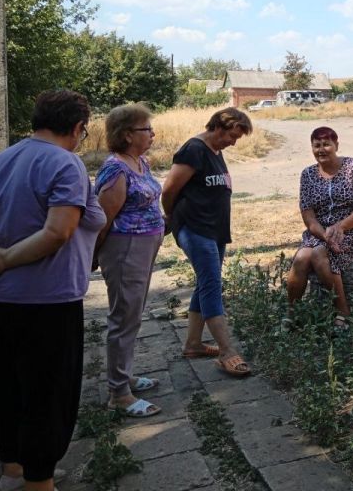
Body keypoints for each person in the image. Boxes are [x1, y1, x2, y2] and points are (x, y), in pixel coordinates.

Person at [0, 90, 105, 491]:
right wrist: (7, 257)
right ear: (79, 128)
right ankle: (39, 482)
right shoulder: (66, 163)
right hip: (46, 301)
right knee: (48, 394)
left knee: (6, 385)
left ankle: (12, 471)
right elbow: (58, 231)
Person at [161, 107, 252, 378]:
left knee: (205, 282)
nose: (233, 143)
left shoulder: (215, 150)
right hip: (194, 227)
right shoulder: (194, 149)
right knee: (212, 284)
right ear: (218, 128)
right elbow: (169, 190)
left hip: (215, 230)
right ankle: (226, 351)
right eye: (231, 136)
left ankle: (193, 344)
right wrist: (171, 216)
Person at [94, 104, 165, 418]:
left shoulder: (140, 162)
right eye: (146, 129)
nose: (152, 134)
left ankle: (124, 375)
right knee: (123, 318)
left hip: (144, 247)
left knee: (132, 315)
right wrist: (93, 257)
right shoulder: (115, 168)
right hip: (125, 250)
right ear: (126, 135)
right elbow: (102, 220)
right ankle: (118, 394)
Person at [286, 126, 353, 327]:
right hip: (318, 233)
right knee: (301, 258)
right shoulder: (307, 175)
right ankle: (291, 313)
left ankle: (342, 312)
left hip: (351, 232)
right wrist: (326, 235)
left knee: (318, 254)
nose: (321, 149)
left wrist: (340, 227)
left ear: (336, 145)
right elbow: (307, 215)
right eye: (316, 145)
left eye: (326, 144)